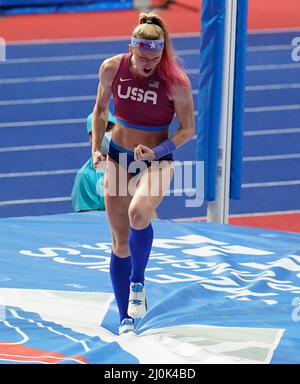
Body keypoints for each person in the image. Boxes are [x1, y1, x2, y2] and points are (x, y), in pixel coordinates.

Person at [91, 12, 195, 335]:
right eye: (144, 58)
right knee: (120, 241)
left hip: (157, 160)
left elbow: (187, 130)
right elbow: (100, 111)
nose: (150, 64)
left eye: (156, 58)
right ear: (130, 49)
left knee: (139, 214)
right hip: (119, 157)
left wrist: (158, 152)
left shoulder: (176, 81)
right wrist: (96, 147)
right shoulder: (112, 68)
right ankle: (125, 318)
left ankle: (138, 280)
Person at [71, 111, 115, 212]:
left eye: (108, 129)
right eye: (99, 130)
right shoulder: (85, 177)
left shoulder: (132, 167)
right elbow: (90, 223)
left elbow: (146, 213)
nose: (105, 134)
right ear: (91, 140)